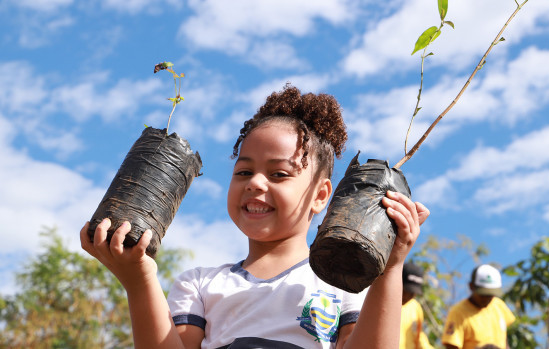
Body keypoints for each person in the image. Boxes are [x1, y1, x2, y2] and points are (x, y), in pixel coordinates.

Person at [80, 84, 430, 348]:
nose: (255, 184)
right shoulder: (201, 285)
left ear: (321, 195)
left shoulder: (343, 286)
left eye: (278, 175)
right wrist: (139, 280)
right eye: (244, 172)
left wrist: (390, 269)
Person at [441, 264, 515, 349]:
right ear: (471, 287)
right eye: (483, 294)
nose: (487, 299)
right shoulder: (458, 313)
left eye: (490, 295)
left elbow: (504, 340)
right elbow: (451, 346)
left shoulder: (498, 305)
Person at [400, 262, 433, 349]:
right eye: (405, 290)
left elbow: (419, 339)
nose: (407, 296)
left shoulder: (415, 308)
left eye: (412, 293)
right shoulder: (383, 303)